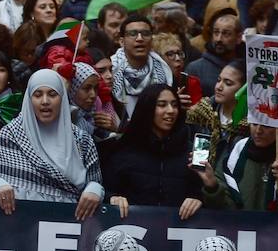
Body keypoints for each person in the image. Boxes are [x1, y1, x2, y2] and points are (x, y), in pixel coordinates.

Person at [0, 69, 105, 218]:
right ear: (29, 99)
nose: (45, 101)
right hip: (18, 228)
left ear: (63, 99)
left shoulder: (82, 140)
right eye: (38, 95)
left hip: (68, 229)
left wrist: (95, 189)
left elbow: (95, 186)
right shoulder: (10, 136)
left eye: (52, 94)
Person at [105, 84, 206, 220]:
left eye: (175, 105)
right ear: (148, 109)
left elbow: (203, 192)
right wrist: (112, 198)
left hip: (178, 232)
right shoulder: (123, 149)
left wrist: (198, 199)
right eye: (162, 105)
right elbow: (106, 190)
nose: (170, 110)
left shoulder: (192, 151)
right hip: (133, 230)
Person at [186, 60, 248, 169]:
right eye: (218, 80)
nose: (219, 87)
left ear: (244, 89)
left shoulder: (250, 125)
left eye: (228, 83)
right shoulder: (202, 112)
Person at [111, 13, 170, 118]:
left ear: (152, 39)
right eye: (133, 34)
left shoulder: (165, 71)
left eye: (145, 33)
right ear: (121, 41)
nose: (139, 38)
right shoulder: (110, 70)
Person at [212, 123, 277, 210]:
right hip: (237, 221)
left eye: (267, 126)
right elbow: (223, 205)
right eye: (254, 124)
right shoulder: (234, 151)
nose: (258, 131)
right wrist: (212, 187)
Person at [185, 6, 241, 95]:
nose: (219, 39)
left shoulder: (246, 66)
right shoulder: (195, 69)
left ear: (238, 37)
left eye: (226, 33)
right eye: (216, 32)